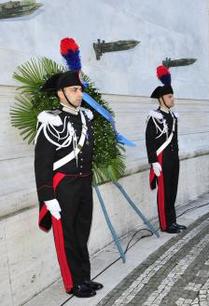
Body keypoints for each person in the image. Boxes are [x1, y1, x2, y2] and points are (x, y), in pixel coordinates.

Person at [35, 71, 103, 297]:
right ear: (60, 94)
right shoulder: (51, 120)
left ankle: (84, 277)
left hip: (84, 183)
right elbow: (42, 162)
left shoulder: (85, 117)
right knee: (67, 236)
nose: (79, 93)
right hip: (63, 186)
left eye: (80, 89)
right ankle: (73, 283)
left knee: (82, 232)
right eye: (74, 90)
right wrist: (47, 196)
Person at [146, 65, 186, 234]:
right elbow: (149, 141)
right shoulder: (154, 117)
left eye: (173, 96)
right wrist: (153, 161)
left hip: (173, 158)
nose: (173, 99)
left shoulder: (173, 116)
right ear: (161, 99)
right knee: (164, 193)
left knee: (172, 190)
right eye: (170, 97)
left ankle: (173, 221)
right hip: (162, 159)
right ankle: (165, 224)